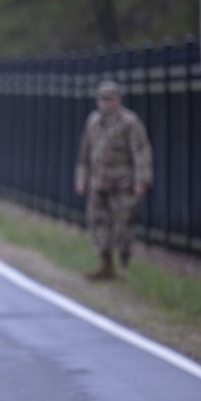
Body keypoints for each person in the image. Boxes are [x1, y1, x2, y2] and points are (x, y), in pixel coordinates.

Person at [75, 80, 153, 280]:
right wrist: (82, 178)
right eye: (102, 99)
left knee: (124, 224)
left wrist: (141, 180)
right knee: (98, 222)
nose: (105, 103)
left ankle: (124, 265)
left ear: (118, 99)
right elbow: (85, 154)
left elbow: (141, 152)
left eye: (109, 99)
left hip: (123, 183)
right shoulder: (93, 122)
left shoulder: (129, 122)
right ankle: (105, 264)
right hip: (99, 182)